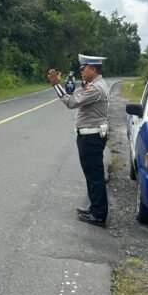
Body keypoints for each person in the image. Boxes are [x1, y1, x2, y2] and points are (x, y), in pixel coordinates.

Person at [47, 54, 110, 228]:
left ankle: (99, 214)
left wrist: (56, 85)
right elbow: (74, 95)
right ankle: (94, 208)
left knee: (94, 176)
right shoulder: (94, 85)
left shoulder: (96, 88)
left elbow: (71, 102)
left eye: (84, 68)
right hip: (90, 135)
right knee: (91, 175)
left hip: (91, 137)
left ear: (93, 69)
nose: (81, 71)